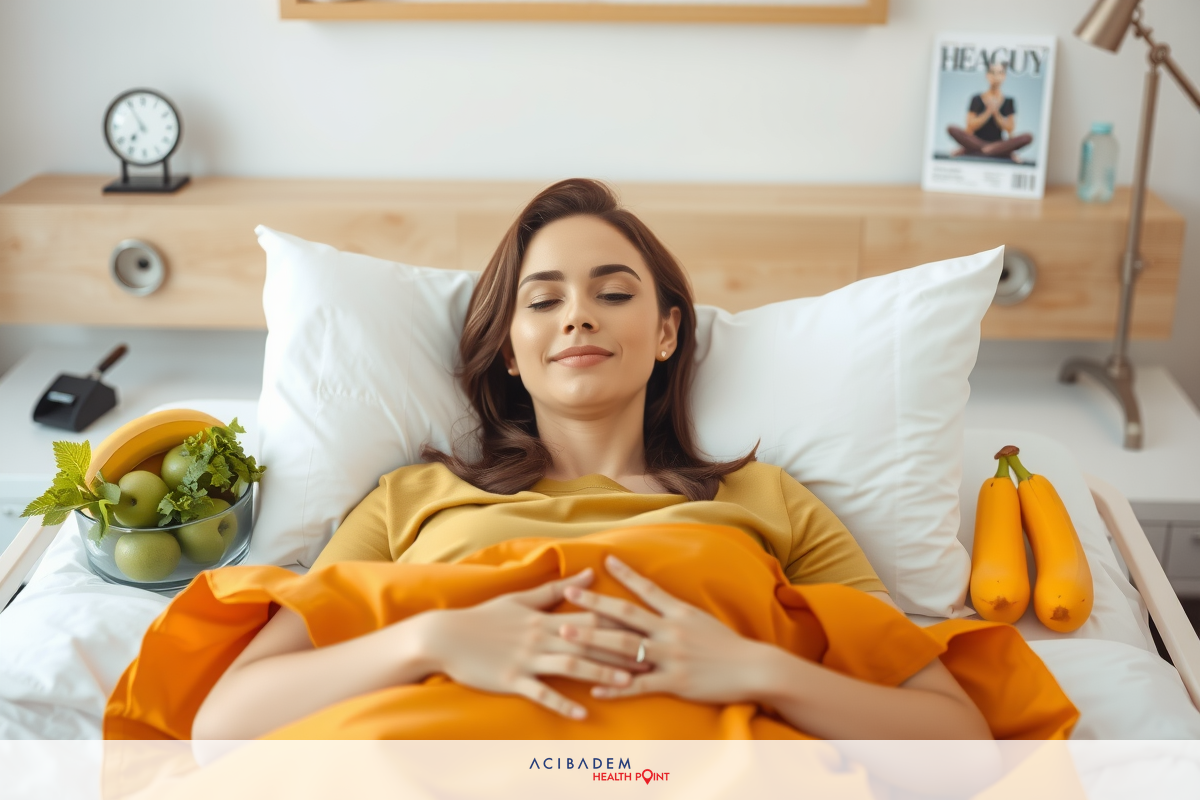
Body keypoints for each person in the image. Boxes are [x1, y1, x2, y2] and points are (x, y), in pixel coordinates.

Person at [192, 179, 992, 741]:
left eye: (613, 294)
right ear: (509, 348)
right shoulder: (410, 500)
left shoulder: (769, 499)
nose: (577, 317)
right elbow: (226, 724)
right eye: (543, 301)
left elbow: (955, 741)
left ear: (669, 333)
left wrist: (755, 670)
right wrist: (431, 641)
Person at [947, 61, 1033, 162]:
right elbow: (970, 126)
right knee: (951, 128)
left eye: (1000, 73)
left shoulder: (1009, 101)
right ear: (987, 75)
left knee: (1027, 137)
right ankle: (995, 151)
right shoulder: (976, 98)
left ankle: (977, 151)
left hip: (999, 144)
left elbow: (1010, 129)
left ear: (1004, 76)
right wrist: (988, 111)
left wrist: (996, 113)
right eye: (992, 73)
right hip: (976, 141)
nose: (996, 77)